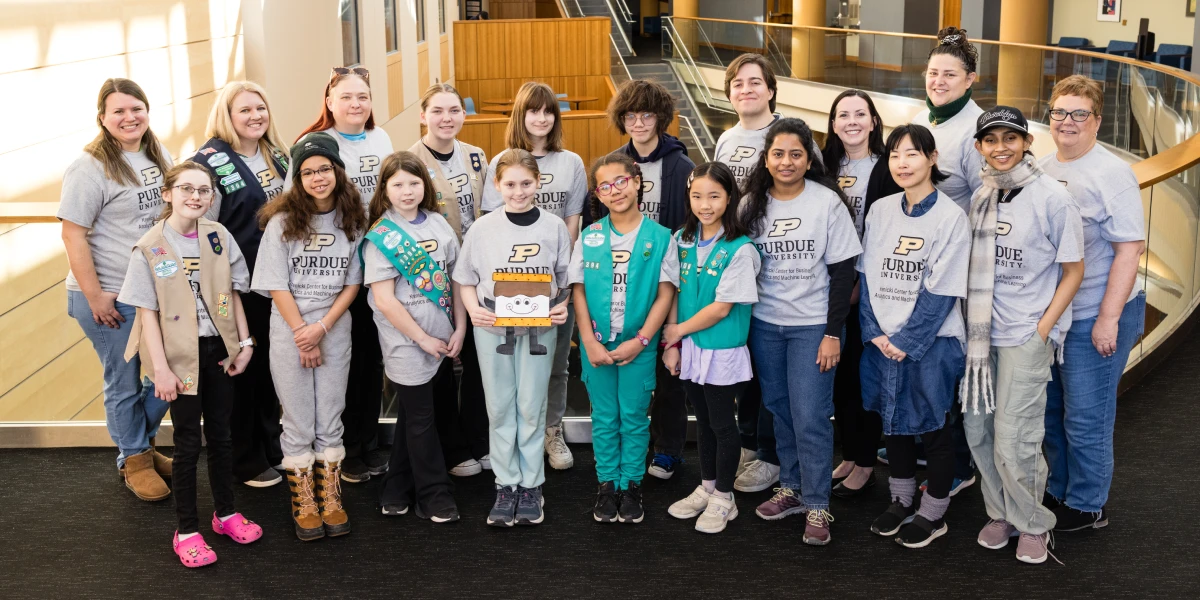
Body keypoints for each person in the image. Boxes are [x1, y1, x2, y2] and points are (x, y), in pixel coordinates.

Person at [118, 161, 263, 566]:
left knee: (221, 437)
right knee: (186, 445)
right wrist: (161, 370)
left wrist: (245, 342)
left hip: (218, 349)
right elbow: (146, 314)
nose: (195, 196)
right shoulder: (150, 247)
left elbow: (234, 293)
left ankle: (226, 513)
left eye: (204, 191)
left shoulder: (218, 236)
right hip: (178, 358)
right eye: (186, 188)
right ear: (168, 193)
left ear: (211, 198)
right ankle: (186, 530)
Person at [961, 106, 1085, 564]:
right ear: (979, 148)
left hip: (1025, 335)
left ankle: (1033, 522)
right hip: (981, 337)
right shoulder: (982, 194)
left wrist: (1043, 330)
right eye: (990, 140)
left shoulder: (1053, 198)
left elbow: (1074, 271)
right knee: (979, 429)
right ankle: (1002, 513)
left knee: (1017, 436)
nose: (1000, 148)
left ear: (1027, 142)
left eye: (1010, 139)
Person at [741, 118, 861, 546]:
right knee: (779, 408)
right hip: (765, 325)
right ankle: (790, 488)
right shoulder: (750, 204)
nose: (787, 161)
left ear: (809, 159)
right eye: (778, 153)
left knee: (810, 414)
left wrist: (833, 333)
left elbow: (843, 273)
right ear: (766, 158)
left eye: (796, 153)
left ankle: (817, 503)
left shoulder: (826, 202)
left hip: (813, 327)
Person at [59, 77, 174, 501]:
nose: (129, 117)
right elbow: (73, 235)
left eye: (136, 108)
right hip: (106, 293)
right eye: (119, 111)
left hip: (151, 290)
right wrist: (95, 296)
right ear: (103, 118)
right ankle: (135, 457)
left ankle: (135, 447)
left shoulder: (156, 152)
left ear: (147, 110)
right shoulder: (89, 167)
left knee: (175, 367)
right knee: (123, 380)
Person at [1040, 75, 1146, 533]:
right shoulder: (1041, 168)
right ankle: (1060, 488)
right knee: (1052, 413)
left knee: (1086, 416)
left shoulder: (1113, 173)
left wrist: (1108, 319)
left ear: (1097, 122)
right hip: (1055, 317)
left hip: (1097, 314)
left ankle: (1087, 504)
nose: (1068, 122)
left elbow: (1129, 249)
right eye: (1060, 112)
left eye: (1079, 114)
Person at [252, 132, 367, 541]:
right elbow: (275, 284)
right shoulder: (281, 222)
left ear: (337, 171)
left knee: (330, 416)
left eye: (323, 169)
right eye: (307, 172)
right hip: (289, 330)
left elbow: (353, 284)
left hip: (334, 329)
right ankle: (303, 499)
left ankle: (330, 496)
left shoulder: (354, 219)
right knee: (299, 420)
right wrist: (303, 332)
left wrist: (321, 328)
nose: (317, 178)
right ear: (297, 179)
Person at [860, 124, 969, 548]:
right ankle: (902, 500)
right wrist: (874, 333)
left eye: (912, 154)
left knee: (933, 428)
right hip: (882, 340)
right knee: (895, 425)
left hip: (932, 341)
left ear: (932, 158)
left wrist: (905, 341)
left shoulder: (950, 217)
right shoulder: (881, 210)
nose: (902, 163)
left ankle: (934, 511)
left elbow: (942, 291)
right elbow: (867, 276)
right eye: (895, 156)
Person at [455, 149, 572, 527]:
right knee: (501, 407)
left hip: (540, 330)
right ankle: (506, 484)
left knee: (531, 405)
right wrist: (473, 309)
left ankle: (532, 485)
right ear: (496, 185)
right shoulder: (483, 228)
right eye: (510, 184)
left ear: (538, 183)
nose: (518, 191)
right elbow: (464, 278)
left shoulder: (554, 227)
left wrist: (562, 306)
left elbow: (566, 280)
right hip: (492, 329)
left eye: (526, 183)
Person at [480, 82, 587, 472]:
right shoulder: (499, 163)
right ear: (520, 116)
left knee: (556, 362)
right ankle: (508, 440)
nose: (540, 118)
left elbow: (573, 220)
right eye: (532, 111)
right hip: (510, 283)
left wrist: (562, 281)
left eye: (548, 112)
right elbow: (493, 226)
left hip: (556, 282)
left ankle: (551, 430)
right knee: (512, 366)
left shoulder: (571, 162)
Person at [296, 66, 395, 483]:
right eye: (347, 97)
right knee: (345, 363)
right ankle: (344, 450)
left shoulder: (382, 137)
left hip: (379, 261)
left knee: (373, 360)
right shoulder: (314, 144)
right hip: (335, 270)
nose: (356, 104)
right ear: (330, 102)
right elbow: (297, 206)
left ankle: (368, 441)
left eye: (364, 97)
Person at [193, 80, 290, 488]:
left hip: (276, 284)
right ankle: (244, 459)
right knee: (240, 372)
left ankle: (270, 443)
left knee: (270, 371)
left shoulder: (277, 156)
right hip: (237, 287)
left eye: (260, 108)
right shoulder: (208, 164)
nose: (255, 116)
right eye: (245, 110)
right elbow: (200, 230)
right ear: (227, 116)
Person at [572, 154, 677, 523]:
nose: (614, 191)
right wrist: (588, 341)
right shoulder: (590, 235)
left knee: (634, 416)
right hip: (596, 345)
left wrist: (644, 340)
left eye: (621, 181)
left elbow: (666, 293)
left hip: (639, 345)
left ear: (637, 182)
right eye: (605, 186)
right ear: (597, 194)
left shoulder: (662, 237)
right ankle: (607, 485)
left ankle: (631, 484)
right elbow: (579, 291)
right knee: (603, 416)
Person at [905, 27, 985, 495]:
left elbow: (980, 205)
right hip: (917, 261)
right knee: (919, 352)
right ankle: (922, 441)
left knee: (944, 362)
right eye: (933, 72)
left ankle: (956, 463)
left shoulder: (975, 130)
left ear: (970, 79)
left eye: (949, 74)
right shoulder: (922, 117)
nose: (939, 80)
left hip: (955, 266)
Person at [364, 151, 464, 523]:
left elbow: (456, 279)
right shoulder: (382, 235)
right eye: (398, 184)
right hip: (406, 341)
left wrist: (460, 328)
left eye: (414, 182)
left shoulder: (439, 224)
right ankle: (434, 494)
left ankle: (395, 486)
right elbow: (386, 300)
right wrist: (422, 339)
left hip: (442, 336)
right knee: (422, 417)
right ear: (385, 190)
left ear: (425, 184)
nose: (407, 191)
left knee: (413, 414)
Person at [604, 79, 695, 479]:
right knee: (629, 366)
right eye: (630, 115)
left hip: (672, 280)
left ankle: (669, 448)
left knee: (669, 366)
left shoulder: (682, 165)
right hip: (627, 279)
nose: (638, 123)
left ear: (660, 118)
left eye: (646, 115)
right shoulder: (613, 163)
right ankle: (633, 443)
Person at [662, 162, 760, 534]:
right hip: (689, 348)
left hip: (722, 350)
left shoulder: (741, 248)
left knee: (722, 423)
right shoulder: (680, 239)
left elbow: (722, 308)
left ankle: (724, 497)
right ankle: (706, 487)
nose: (705, 204)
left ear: (730, 197)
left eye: (715, 196)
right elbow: (671, 291)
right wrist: (672, 343)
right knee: (702, 422)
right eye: (698, 196)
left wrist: (677, 332)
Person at [821, 89, 901, 498]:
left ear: (873, 121)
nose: (851, 121)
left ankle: (867, 460)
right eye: (843, 115)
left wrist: (858, 284)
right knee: (838, 379)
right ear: (833, 123)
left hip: (867, 286)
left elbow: (887, 233)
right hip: (830, 285)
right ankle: (850, 454)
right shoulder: (824, 165)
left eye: (860, 114)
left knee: (861, 375)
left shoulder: (887, 167)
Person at [409, 83, 491, 478]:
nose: (446, 118)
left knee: (477, 362)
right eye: (437, 111)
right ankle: (453, 448)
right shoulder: (407, 160)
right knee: (439, 364)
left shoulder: (476, 156)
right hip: (430, 278)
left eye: (454, 110)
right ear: (423, 115)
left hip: (475, 275)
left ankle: (480, 440)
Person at [711, 53, 783, 493]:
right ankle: (751, 443)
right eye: (738, 83)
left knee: (772, 366)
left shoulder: (787, 133)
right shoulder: (726, 138)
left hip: (779, 269)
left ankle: (771, 454)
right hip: (736, 264)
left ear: (771, 89)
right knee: (745, 361)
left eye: (755, 82)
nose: (746, 90)